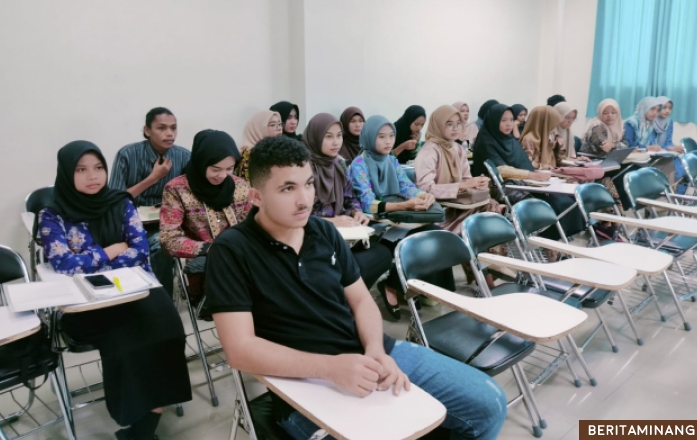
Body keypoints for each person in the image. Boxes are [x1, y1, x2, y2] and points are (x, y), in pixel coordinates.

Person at [204, 135, 507, 440]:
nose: (304, 200)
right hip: (304, 382)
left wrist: (375, 349)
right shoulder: (232, 251)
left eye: (308, 184)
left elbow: (361, 301)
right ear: (256, 197)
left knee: (488, 405)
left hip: (369, 352)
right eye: (287, 188)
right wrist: (331, 368)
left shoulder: (323, 231)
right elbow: (240, 350)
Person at [38, 141, 191, 440]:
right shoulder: (52, 214)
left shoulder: (120, 202)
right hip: (88, 302)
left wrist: (93, 261)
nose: (92, 176)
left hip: (133, 287)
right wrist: (109, 252)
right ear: (67, 173)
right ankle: (134, 419)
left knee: (170, 330)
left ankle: (144, 428)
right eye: (81, 170)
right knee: (127, 344)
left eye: (98, 168)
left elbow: (139, 249)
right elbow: (65, 264)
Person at [349, 116, 453, 320]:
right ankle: (392, 286)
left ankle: (414, 286)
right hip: (376, 223)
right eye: (381, 137)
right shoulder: (358, 164)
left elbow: (407, 187)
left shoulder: (391, 161)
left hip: (398, 218)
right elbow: (367, 203)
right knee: (409, 243)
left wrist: (424, 196)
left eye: (391, 136)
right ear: (370, 137)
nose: (388, 142)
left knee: (436, 233)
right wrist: (404, 205)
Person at [160, 130, 252, 316]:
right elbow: (168, 239)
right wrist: (210, 248)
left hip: (242, 260)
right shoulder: (178, 189)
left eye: (229, 168)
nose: (223, 175)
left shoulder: (240, 186)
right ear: (201, 162)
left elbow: (251, 227)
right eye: (215, 169)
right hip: (205, 267)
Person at [303, 113, 392, 289]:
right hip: (313, 236)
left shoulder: (340, 164)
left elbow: (351, 198)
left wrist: (356, 212)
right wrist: (333, 222)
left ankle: (347, 298)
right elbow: (299, 216)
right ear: (315, 137)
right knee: (348, 263)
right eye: (328, 136)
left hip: (343, 234)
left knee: (382, 252)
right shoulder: (303, 168)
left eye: (339, 136)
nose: (336, 142)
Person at [109, 107, 191, 295]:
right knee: (155, 246)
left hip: (169, 222)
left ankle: (163, 302)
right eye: (161, 128)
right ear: (147, 130)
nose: (169, 133)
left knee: (164, 244)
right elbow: (115, 202)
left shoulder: (184, 156)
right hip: (131, 222)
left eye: (173, 128)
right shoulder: (127, 155)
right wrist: (153, 178)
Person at [472, 104, 584, 239]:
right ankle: (547, 243)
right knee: (551, 205)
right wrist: (531, 175)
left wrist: (538, 175)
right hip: (502, 188)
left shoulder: (510, 140)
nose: (509, 124)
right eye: (503, 120)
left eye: (511, 120)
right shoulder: (486, 142)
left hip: (522, 183)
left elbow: (525, 165)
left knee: (566, 201)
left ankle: (556, 241)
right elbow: (500, 169)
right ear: (494, 121)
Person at [415, 105, 500, 235]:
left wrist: (477, 184)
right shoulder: (429, 151)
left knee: (490, 209)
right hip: (439, 210)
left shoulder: (457, 148)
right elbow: (425, 189)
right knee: (482, 220)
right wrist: (463, 185)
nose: (455, 128)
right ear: (438, 125)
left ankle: (482, 252)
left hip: (459, 205)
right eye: (449, 124)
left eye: (458, 123)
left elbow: (466, 179)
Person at [624, 97, 678, 186]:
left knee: (669, 161)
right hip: (630, 159)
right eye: (652, 109)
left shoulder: (649, 123)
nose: (655, 113)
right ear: (644, 107)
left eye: (657, 110)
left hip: (643, 156)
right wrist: (648, 147)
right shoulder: (631, 122)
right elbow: (629, 145)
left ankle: (668, 193)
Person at [236, 110, 283, 184]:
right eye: (272, 125)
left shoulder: (276, 151)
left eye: (280, 124)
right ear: (258, 129)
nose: (279, 128)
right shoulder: (249, 156)